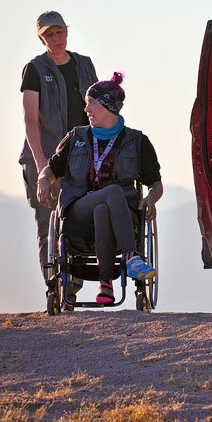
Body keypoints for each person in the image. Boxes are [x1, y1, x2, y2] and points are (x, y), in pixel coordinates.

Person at [36, 72, 163, 304]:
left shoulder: (137, 142)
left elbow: (156, 183)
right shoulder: (76, 137)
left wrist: (151, 199)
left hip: (119, 218)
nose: (87, 110)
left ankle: (106, 285)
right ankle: (131, 257)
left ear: (108, 106)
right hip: (77, 212)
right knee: (113, 192)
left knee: (103, 209)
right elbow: (52, 168)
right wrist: (43, 180)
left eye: (91, 103)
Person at [20, 11, 97, 305]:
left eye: (60, 32)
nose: (56, 38)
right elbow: (30, 120)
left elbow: (99, 108)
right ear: (42, 38)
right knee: (48, 221)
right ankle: (55, 288)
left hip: (80, 157)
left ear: (67, 32)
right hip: (45, 155)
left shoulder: (85, 65)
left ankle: (73, 286)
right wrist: (42, 168)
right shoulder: (35, 69)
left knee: (78, 220)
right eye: (49, 34)